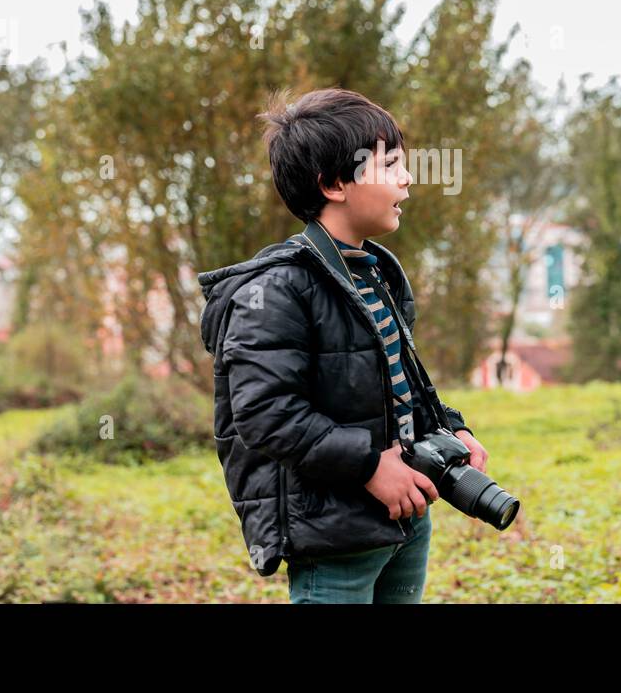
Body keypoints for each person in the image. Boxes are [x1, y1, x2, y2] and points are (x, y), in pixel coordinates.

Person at [197, 87, 488, 603]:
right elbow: (266, 413)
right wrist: (372, 466)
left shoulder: (377, 274)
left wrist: (450, 427)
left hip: (404, 515)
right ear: (334, 183)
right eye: (391, 164)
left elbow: (400, 381)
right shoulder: (276, 290)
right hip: (332, 531)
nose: (408, 177)